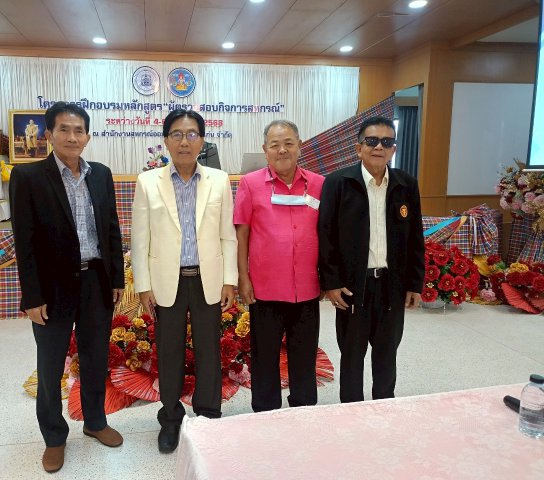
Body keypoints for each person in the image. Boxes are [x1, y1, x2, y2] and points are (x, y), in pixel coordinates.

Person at [10, 102, 125, 473]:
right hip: (52, 288)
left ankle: (95, 421)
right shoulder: (28, 177)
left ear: (87, 136)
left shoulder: (100, 174)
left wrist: (117, 278)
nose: (72, 137)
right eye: (64, 129)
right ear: (49, 134)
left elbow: (111, 229)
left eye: (79, 130)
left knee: (95, 357)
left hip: (95, 281)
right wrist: (32, 296)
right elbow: (24, 241)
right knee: (50, 365)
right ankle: (54, 437)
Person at [131, 109, 237, 453]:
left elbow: (227, 236)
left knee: (209, 350)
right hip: (167, 281)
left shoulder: (219, 180)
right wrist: (143, 285)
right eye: (176, 134)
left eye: (192, 134)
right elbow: (140, 239)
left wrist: (229, 280)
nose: (184, 141)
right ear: (166, 140)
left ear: (202, 140)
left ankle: (208, 415)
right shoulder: (148, 182)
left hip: (208, 279)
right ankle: (171, 417)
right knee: (169, 352)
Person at [318, 116, 424, 403]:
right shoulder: (338, 183)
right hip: (353, 287)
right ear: (359, 148)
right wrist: (331, 283)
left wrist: (414, 284)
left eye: (387, 142)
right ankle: (351, 413)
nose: (379, 147)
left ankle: (384, 409)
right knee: (352, 356)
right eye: (372, 141)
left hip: (392, 285)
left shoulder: (406, 184)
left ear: (393, 149)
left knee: (387, 355)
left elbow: (415, 238)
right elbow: (325, 235)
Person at [234, 119, 324, 412]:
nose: (282, 150)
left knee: (304, 354)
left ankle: (303, 408)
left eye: (288, 143)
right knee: (265, 356)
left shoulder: (318, 184)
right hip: (265, 288)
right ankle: (265, 411)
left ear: (300, 146)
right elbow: (242, 233)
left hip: (307, 287)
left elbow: (328, 234)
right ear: (265, 149)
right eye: (275, 145)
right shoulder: (250, 184)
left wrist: (327, 277)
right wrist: (243, 277)